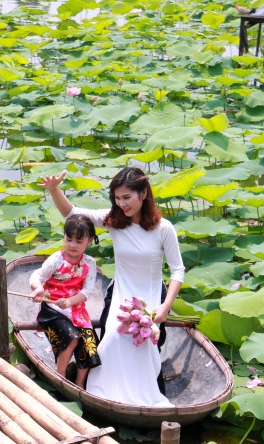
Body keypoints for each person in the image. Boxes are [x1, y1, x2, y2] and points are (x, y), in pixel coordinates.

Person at [39, 167, 185, 407]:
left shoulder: (164, 228)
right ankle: (102, 395)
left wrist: (166, 306)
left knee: (148, 347)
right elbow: (72, 213)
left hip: (151, 297)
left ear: (143, 194)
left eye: (127, 197)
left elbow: (177, 269)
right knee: (113, 341)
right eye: (117, 198)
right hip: (121, 293)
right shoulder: (114, 221)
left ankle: (147, 398)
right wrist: (55, 190)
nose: (121, 203)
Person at [29, 214, 101, 389]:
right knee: (72, 338)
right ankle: (59, 375)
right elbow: (37, 275)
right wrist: (38, 288)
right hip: (52, 308)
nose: (73, 245)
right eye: (69, 240)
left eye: (78, 241)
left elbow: (87, 291)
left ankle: (80, 382)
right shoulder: (57, 258)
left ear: (89, 241)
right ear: (64, 238)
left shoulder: (89, 263)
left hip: (75, 309)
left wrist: (70, 301)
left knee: (89, 342)